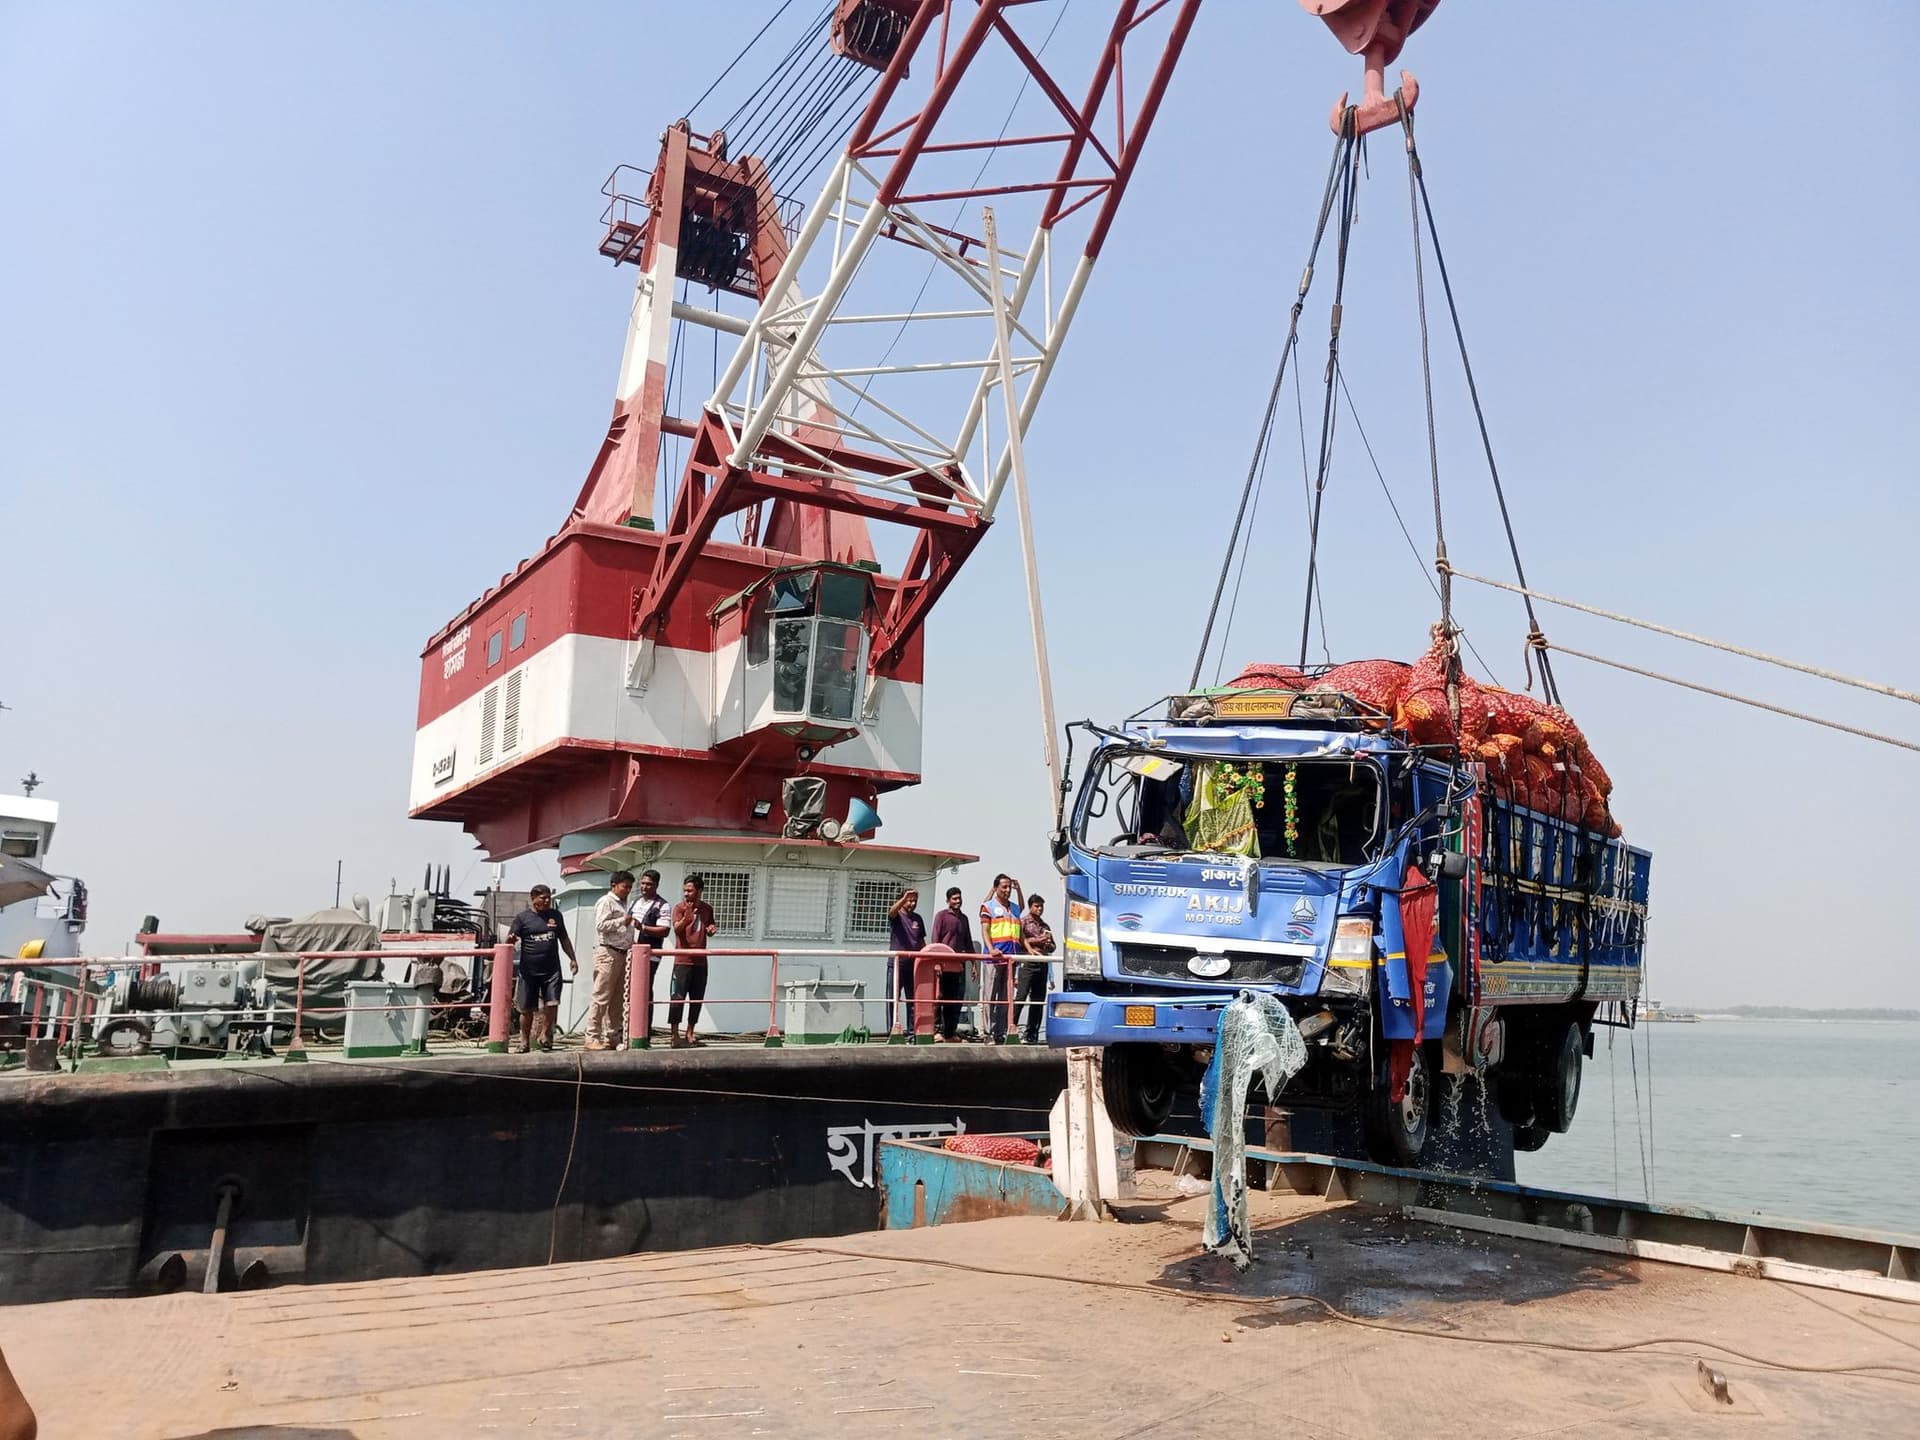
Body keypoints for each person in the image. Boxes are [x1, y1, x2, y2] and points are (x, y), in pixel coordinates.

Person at [510, 883, 577, 1053]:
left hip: (551, 970)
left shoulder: (556, 916)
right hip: (529, 971)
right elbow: (511, 940)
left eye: (549, 897)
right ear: (533, 898)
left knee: (553, 1003)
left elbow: (564, 939)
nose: (547, 901)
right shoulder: (522, 918)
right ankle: (524, 1042)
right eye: (543, 898)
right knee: (526, 1009)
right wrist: (510, 940)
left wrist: (573, 959)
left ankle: (545, 1035)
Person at [585, 872, 638, 1051]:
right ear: (614, 885)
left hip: (622, 953)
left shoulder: (624, 903)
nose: (628, 890)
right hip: (608, 952)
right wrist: (622, 921)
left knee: (617, 998)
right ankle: (591, 1036)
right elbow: (601, 925)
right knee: (601, 996)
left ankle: (612, 1035)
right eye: (625, 886)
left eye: (630, 887)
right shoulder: (606, 902)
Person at [668, 874, 716, 1048]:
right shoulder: (679, 908)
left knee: (697, 998)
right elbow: (676, 930)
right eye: (685, 890)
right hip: (682, 961)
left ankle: (690, 1033)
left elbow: (710, 926)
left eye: (690, 890)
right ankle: (674, 1035)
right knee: (677, 997)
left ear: (699, 891)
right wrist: (686, 919)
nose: (686, 894)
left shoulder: (707, 909)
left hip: (701, 961)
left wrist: (711, 929)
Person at [977, 873, 1025, 1042]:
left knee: (1005, 998)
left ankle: (1000, 1032)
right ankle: (987, 1033)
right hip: (994, 959)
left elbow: (1022, 907)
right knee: (990, 996)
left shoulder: (1014, 908)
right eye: (1004, 887)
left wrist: (1019, 890)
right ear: (996, 888)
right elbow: (985, 930)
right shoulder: (988, 906)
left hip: (1011, 959)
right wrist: (991, 949)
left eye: (1009, 887)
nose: (1007, 890)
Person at [627, 869, 672, 1040]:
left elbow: (665, 930)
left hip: (648, 955)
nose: (645, 887)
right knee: (630, 991)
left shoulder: (662, 905)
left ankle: (644, 1031)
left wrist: (643, 927)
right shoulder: (635, 902)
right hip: (631, 952)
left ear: (656, 886)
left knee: (645, 990)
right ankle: (629, 1028)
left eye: (649, 884)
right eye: (643, 883)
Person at [927, 885, 973, 1041]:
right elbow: (935, 940)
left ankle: (950, 1033)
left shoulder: (964, 919)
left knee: (955, 1001)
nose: (958, 901)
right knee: (939, 998)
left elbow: (968, 943)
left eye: (959, 898)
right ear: (948, 900)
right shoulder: (941, 916)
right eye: (954, 898)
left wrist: (973, 964)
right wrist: (937, 962)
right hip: (942, 965)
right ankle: (937, 1031)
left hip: (958, 966)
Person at [1015, 892, 1055, 1045]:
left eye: (1041, 906)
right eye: (1036, 906)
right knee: (1021, 995)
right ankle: (1011, 1027)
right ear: (1031, 906)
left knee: (1038, 999)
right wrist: (1037, 940)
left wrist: (1047, 943)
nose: (1039, 909)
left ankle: (1032, 1033)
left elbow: (1053, 946)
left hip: (1042, 963)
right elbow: (1019, 941)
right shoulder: (1023, 922)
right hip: (1028, 962)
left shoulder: (1045, 926)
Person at [887, 887, 927, 1034]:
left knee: (912, 1000)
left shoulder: (918, 919)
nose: (912, 903)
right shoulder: (897, 916)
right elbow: (891, 912)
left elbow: (921, 941)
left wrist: (928, 958)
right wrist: (903, 898)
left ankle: (912, 1031)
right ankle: (891, 1030)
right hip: (896, 965)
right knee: (893, 999)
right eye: (910, 900)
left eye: (915, 900)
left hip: (913, 965)